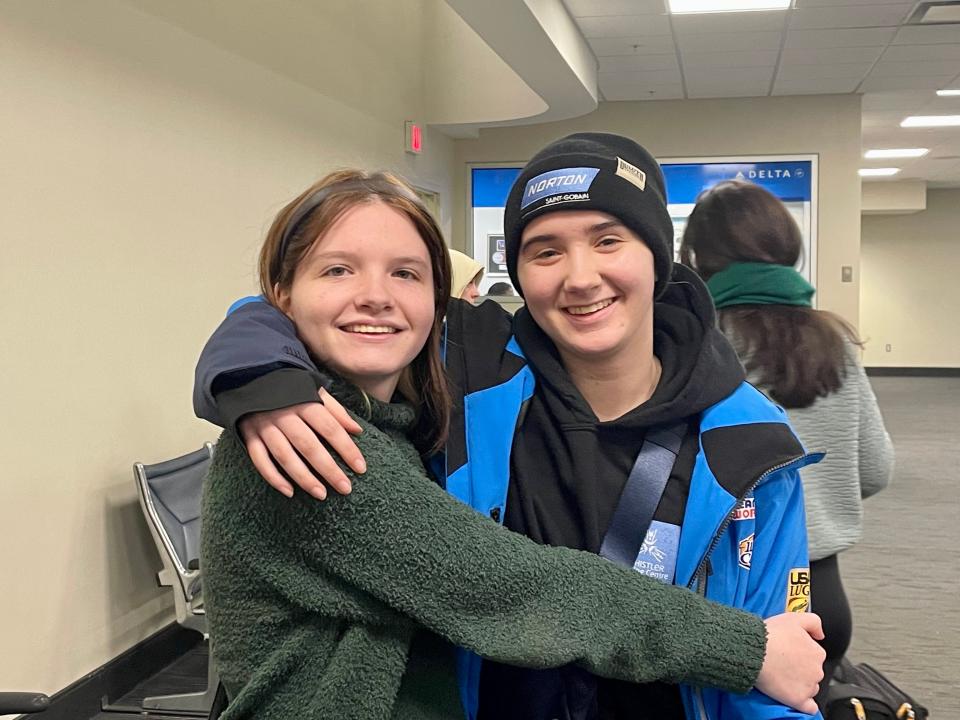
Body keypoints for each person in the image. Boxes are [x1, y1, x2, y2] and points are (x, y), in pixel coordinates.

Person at [195, 136, 827, 720]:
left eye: (608, 240)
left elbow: (779, 663)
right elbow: (509, 586)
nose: (580, 276)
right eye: (545, 250)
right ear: (516, 277)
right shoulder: (432, 388)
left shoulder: (749, 442)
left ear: (658, 259)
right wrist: (260, 377)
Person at [678, 179, 895, 710]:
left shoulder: (699, 343)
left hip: (733, 590)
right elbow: (875, 469)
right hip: (820, 591)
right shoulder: (835, 340)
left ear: (699, 256)